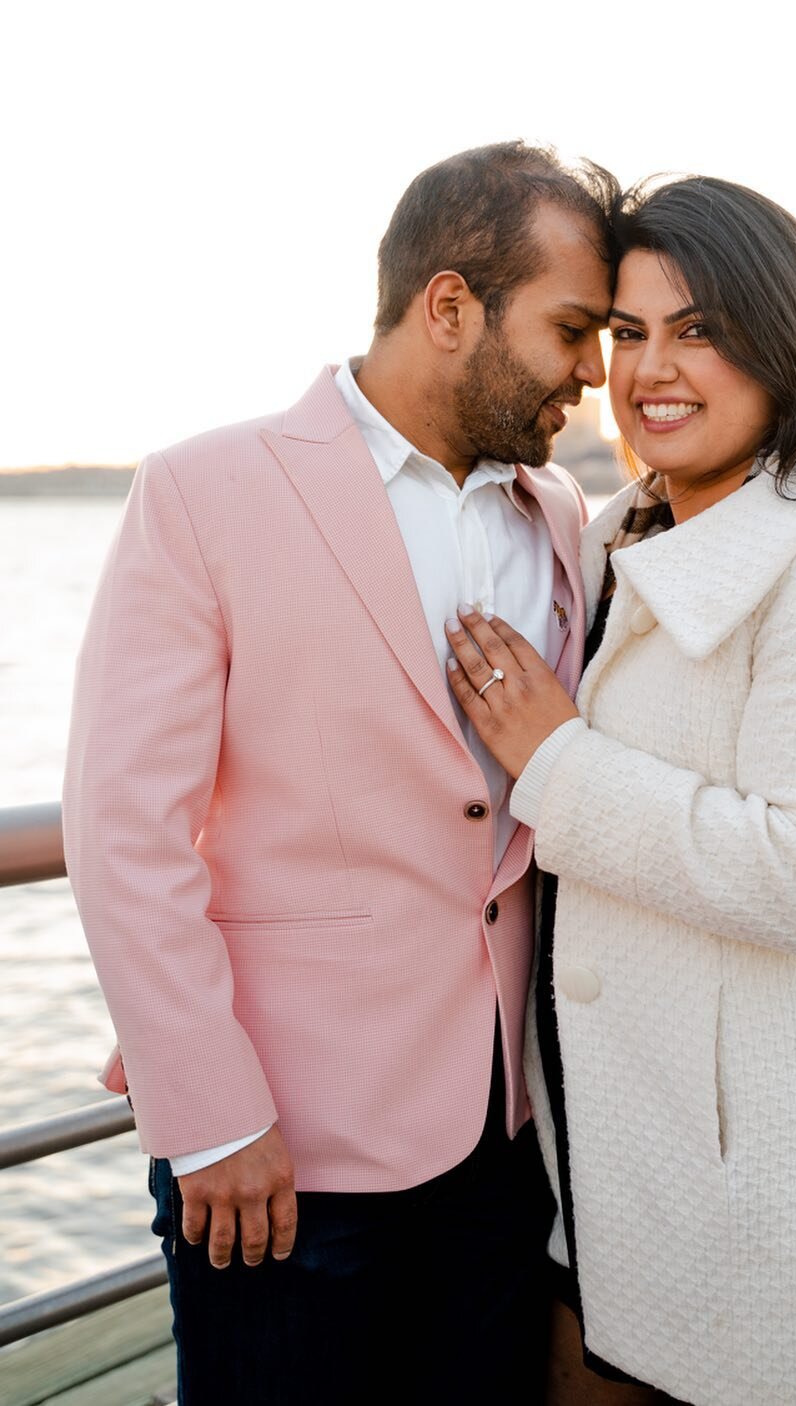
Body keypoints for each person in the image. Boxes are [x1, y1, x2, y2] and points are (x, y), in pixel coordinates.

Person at [62, 140, 617, 1404]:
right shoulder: (202, 490)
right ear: (450, 306)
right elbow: (122, 828)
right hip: (279, 1153)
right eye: (573, 327)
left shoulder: (563, 513)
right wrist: (208, 1114)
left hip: (500, 1140)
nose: (594, 371)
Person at [444, 175, 796, 1406]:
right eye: (626, 333)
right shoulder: (613, 541)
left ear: (783, 336)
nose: (653, 369)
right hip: (609, 1183)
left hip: (779, 1201)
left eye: (699, 327)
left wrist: (560, 761)